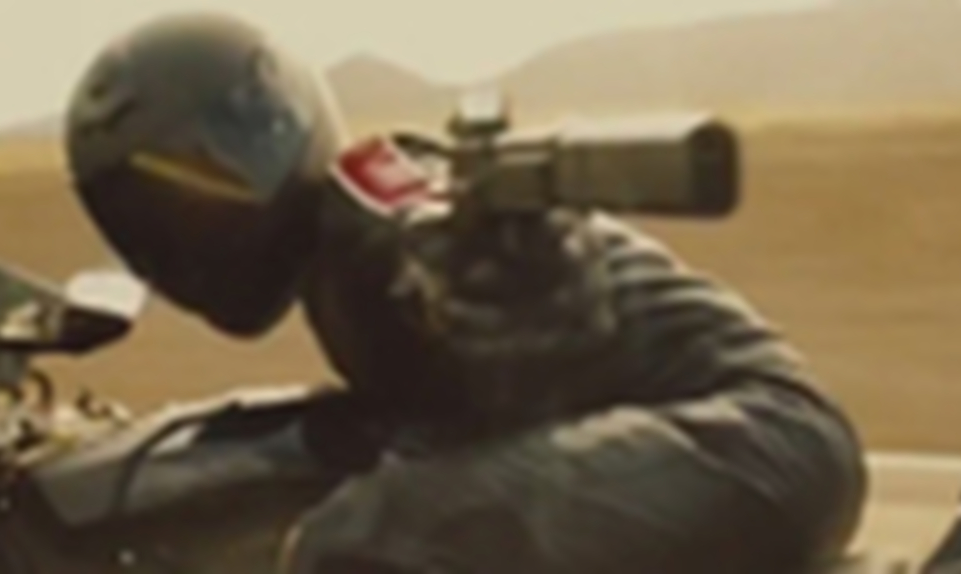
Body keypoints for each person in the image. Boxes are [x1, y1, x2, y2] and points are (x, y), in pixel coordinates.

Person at [62, 11, 869, 574]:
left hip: (755, 431)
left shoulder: (370, 212)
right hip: (701, 436)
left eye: (210, 185)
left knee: (353, 544)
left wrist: (506, 276)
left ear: (278, 125)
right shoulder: (333, 264)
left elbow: (438, 235)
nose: (191, 232)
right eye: (158, 211)